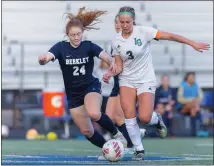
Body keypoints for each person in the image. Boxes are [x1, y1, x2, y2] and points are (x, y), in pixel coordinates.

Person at [103, 6, 210, 160]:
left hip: (145, 78)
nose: (125, 25)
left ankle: (157, 120)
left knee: (145, 117)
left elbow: (171, 36)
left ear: (133, 20)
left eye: (128, 22)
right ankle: (139, 150)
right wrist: (109, 73)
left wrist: (192, 43)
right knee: (129, 115)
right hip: (127, 79)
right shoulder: (115, 40)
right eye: (122, 22)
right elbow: (119, 65)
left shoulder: (144, 32)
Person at [38, 7, 127, 150]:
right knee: (87, 131)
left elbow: (105, 56)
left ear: (82, 33)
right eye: (73, 35)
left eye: (79, 34)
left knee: (94, 113)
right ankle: (109, 149)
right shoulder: (61, 47)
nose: (76, 37)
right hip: (73, 94)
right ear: (67, 35)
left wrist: (112, 63)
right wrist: (43, 59)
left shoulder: (88, 46)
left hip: (90, 87)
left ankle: (118, 135)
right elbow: (47, 57)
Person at [177, 72, 204, 136]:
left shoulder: (196, 85)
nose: (192, 78)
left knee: (193, 109)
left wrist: (196, 100)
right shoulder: (182, 86)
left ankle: (193, 132)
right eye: (190, 77)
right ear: (187, 78)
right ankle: (200, 128)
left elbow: (201, 96)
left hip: (192, 108)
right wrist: (191, 100)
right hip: (183, 108)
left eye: (193, 77)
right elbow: (180, 99)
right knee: (195, 107)